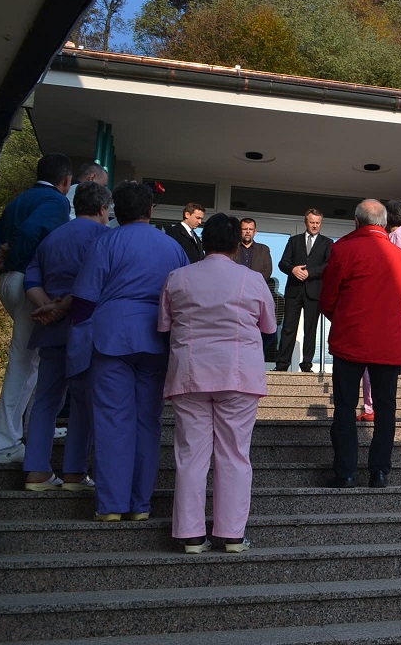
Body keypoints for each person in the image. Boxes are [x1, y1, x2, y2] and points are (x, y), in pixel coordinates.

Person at [70, 181, 189, 521]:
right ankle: (140, 504)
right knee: (148, 421)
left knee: (112, 419)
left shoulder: (106, 242)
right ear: (150, 210)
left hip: (112, 337)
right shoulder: (173, 247)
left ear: (115, 212)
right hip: (158, 339)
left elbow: (84, 301)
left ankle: (111, 505)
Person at [159, 213, 277, 554]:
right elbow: (269, 327)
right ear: (236, 245)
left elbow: (164, 326)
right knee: (235, 455)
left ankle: (191, 536)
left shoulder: (178, 277)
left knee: (190, 456)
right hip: (238, 376)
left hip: (190, 373)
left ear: (204, 243)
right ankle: (232, 535)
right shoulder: (252, 280)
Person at [0, 152, 72, 464]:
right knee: (23, 362)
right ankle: (5, 443)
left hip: (8, 280)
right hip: (26, 282)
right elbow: (33, 231)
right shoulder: (57, 201)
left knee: (31, 361)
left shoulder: (20, 199)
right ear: (66, 180)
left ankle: (33, 428)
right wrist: (19, 258)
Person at [22, 181, 111, 491]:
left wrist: (48, 307)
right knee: (84, 402)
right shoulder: (104, 238)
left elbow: (31, 279)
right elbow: (94, 284)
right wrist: (62, 308)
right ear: (102, 208)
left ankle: (36, 470)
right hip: (85, 328)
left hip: (49, 328)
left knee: (46, 400)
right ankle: (74, 472)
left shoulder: (53, 237)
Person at [320, 199, 401, 489]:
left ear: (357, 221)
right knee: (386, 408)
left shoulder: (343, 249)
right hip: (387, 341)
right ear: (384, 223)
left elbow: (328, 297)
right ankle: (379, 471)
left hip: (351, 338)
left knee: (345, 406)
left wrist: (344, 317)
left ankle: (345, 472)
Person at [358, 200, 401, 421]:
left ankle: (372, 407)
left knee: (378, 355)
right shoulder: (396, 235)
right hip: (392, 301)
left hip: (396, 303)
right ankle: (372, 406)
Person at [275, 209, 333, 372]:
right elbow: (283, 263)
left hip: (314, 291)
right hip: (294, 290)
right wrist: (293, 269)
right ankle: (282, 364)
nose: (315, 225)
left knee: (310, 329)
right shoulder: (294, 241)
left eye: (318, 223)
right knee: (288, 328)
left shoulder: (327, 243)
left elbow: (328, 265)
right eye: (312, 222)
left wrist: (310, 272)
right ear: (306, 222)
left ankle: (306, 365)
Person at [234, 217, 273, 281]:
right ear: (239, 231)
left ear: (255, 232)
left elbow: (267, 272)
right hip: (235, 285)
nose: (248, 231)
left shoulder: (263, 250)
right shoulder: (232, 249)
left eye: (251, 229)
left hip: (256, 285)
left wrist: (252, 282)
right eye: (245, 229)